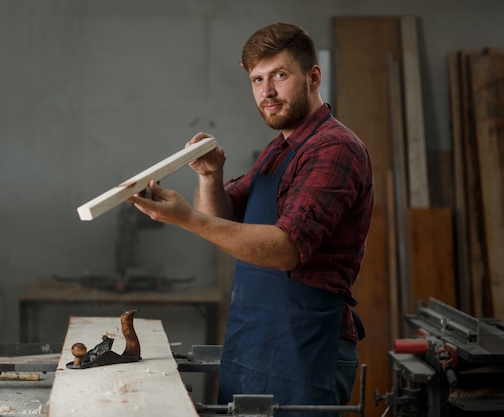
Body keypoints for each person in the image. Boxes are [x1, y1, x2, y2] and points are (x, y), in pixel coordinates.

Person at [128, 22, 373, 415]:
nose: (267, 92)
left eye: (280, 75)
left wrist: (187, 219)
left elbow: (286, 249)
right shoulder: (279, 149)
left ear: (313, 77)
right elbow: (222, 216)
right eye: (257, 79)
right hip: (254, 340)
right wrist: (209, 176)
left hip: (305, 347)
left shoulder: (334, 148)